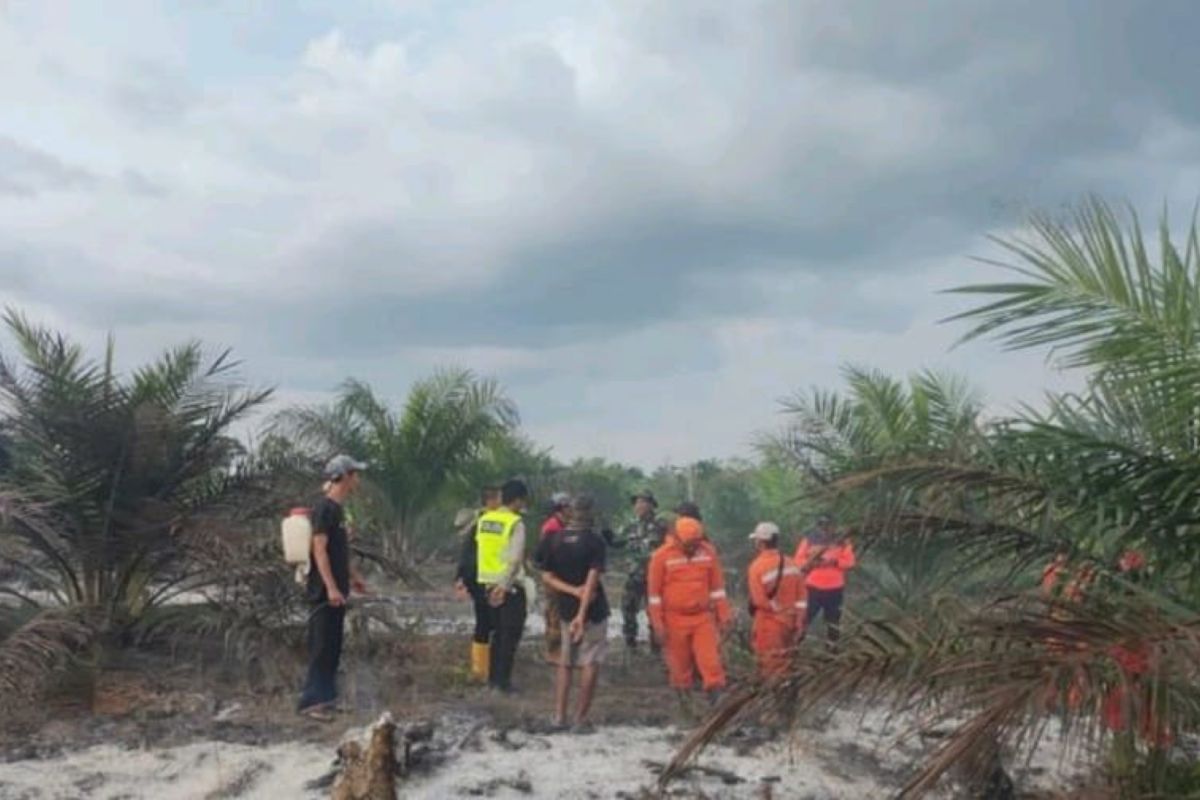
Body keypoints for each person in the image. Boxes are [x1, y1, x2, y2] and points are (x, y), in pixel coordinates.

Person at [298, 455, 369, 721]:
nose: (358, 479)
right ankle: (311, 702)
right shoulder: (324, 509)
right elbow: (319, 550)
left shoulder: (338, 511)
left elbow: (340, 551)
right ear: (345, 476)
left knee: (333, 646)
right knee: (321, 646)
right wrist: (330, 587)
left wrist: (352, 577)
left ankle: (327, 699)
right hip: (323, 592)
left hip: (338, 589)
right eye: (355, 473)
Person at [534, 494, 609, 731]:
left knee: (565, 663)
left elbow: (546, 576)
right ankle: (580, 719)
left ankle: (559, 717)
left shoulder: (552, 540)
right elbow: (592, 580)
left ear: (569, 513)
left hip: (564, 608)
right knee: (591, 661)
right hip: (593, 609)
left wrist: (571, 592)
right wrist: (582, 612)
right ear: (590, 514)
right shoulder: (595, 542)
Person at [647, 516, 732, 702]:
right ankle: (685, 708)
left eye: (696, 544)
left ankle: (716, 704)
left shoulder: (708, 553)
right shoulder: (661, 556)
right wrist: (657, 624)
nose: (693, 548)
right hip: (673, 619)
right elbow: (654, 596)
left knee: (711, 662)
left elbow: (718, 590)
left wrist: (725, 616)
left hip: (703, 617)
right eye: (688, 544)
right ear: (676, 538)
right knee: (679, 666)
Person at [477, 478, 531, 693]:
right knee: (510, 635)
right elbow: (515, 559)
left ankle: (493, 681)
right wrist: (505, 586)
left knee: (497, 635)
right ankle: (503, 683)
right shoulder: (515, 523)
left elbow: (484, 551)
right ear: (517, 500)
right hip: (509, 587)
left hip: (488, 585)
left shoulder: (485, 519)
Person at [746, 522, 806, 678]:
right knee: (789, 662)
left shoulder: (757, 567)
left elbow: (759, 601)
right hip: (792, 622)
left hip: (769, 624)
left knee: (771, 665)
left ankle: (776, 698)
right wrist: (799, 620)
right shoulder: (792, 563)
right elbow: (802, 598)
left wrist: (777, 610)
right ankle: (790, 698)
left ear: (760, 542)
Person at [455, 485, 501, 683]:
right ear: (490, 501)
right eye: (499, 499)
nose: (501, 503)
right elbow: (468, 553)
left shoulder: (487, 522)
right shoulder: (484, 523)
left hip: (484, 579)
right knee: (486, 623)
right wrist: (463, 579)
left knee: (489, 623)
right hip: (481, 579)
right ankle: (482, 671)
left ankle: (484, 669)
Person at [612, 491, 668, 651]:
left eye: (643, 502)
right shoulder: (629, 525)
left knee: (655, 611)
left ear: (651, 505)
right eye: (637, 502)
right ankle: (630, 644)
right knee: (628, 608)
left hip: (655, 576)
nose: (639, 506)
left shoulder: (660, 525)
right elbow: (617, 543)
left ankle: (656, 646)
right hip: (634, 574)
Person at [794, 513, 855, 645]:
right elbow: (798, 561)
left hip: (834, 588)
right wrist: (814, 563)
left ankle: (832, 652)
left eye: (828, 525)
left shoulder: (842, 541)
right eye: (822, 525)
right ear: (818, 526)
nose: (825, 528)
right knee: (804, 619)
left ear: (834, 526)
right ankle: (794, 648)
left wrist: (834, 562)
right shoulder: (809, 540)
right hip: (812, 587)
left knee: (833, 623)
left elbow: (850, 562)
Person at [539, 492, 572, 664]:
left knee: (560, 612)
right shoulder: (552, 527)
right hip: (554, 576)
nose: (571, 510)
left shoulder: (562, 525)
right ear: (561, 508)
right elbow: (546, 554)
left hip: (562, 575)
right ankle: (553, 652)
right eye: (568, 506)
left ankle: (560, 650)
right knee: (554, 613)